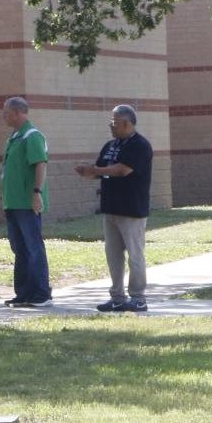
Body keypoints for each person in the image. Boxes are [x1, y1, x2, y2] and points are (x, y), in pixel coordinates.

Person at [76, 103, 153, 313]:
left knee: (135, 254)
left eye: (115, 122)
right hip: (111, 208)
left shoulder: (139, 145)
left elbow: (122, 170)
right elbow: (101, 170)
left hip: (132, 209)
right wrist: (87, 171)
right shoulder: (110, 145)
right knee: (113, 255)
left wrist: (96, 169)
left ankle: (138, 298)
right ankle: (117, 297)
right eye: (111, 122)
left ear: (127, 123)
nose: (111, 126)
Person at [1, 96, 51, 306]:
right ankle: (24, 293)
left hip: (26, 203)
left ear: (18, 113)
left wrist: (36, 192)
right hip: (12, 203)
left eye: (6, 112)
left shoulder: (32, 136)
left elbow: (40, 164)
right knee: (20, 249)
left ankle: (41, 294)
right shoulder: (14, 137)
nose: (3, 116)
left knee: (33, 247)